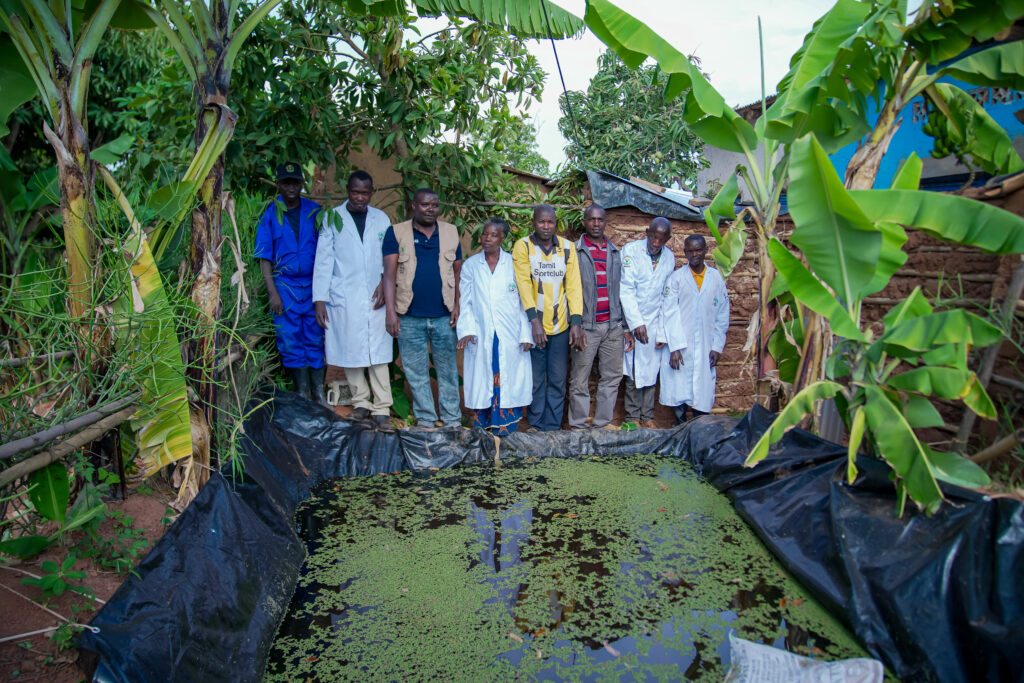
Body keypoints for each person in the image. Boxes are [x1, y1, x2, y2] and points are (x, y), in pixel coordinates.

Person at [312, 170, 395, 432]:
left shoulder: (382, 219)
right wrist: (320, 299)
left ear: (372, 193)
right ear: (347, 190)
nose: (360, 198)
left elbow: (389, 257)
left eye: (365, 193)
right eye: (355, 192)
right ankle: (361, 404)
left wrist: (384, 282)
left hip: (376, 294)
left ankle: (381, 407)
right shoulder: (332, 217)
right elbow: (323, 260)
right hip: (343, 295)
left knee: (379, 353)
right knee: (350, 350)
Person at [382, 188, 463, 427]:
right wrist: (390, 312)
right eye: (425, 204)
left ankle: (452, 421)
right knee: (416, 373)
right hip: (409, 317)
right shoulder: (396, 233)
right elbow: (389, 275)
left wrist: (458, 305)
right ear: (414, 206)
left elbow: (458, 273)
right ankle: (426, 421)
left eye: (435, 205)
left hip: (444, 316)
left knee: (447, 371)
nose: (431, 209)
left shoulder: (450, 232)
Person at [254, 162, 327, 406]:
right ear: (278, 185)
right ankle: (302, 396)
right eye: (286, 182)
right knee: (290, 339)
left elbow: (327, 253)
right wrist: (272, 293)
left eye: (295, 182)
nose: (291, 187)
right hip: (284, 286)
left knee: (316, 337)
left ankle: (318, 395)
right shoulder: (270, 213)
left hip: (313, 284)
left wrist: (323, 293)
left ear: (301, 184)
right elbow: (264, 257)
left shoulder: (314, 211)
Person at [456, 219, 533, 435]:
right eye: (484, 234)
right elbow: (466, 302)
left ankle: (506, 427)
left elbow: (523, 302)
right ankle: (483, 427)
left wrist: (526, 333)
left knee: (508, 378)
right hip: (481, 334)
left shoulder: (514, 264)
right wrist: (467, 330)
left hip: (510, 334)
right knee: (484, 378)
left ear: (503, 239)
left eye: (493, 235)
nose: (487, 238)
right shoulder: (471, 265)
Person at [512, 204, 584, 431]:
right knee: (534, 379)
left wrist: (576, 322)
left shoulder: (567, 248)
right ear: (533, 222)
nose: (546, 226)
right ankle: (535, 423)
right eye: (541, 221)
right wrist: (534, 322)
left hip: (560, 326)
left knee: (557, 379)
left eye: (550, 222)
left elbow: (573, 286)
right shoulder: (523, 246)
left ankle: (552, 426)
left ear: (555, 223)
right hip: (533, 325)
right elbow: (523, 283)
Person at [568, 204, 633, 430]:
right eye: (592, 219)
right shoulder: (574, 252)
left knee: (612, 378)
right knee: (579, 379)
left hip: (613, 327)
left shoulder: (615, 252)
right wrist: (575, 324)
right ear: (584, 222)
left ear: (606, 223)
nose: (596, 224)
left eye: (600, 220)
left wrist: (624, 327)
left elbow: (623, 291)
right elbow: (568, 290)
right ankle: (577, 426)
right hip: (586, 327)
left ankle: (602, 425)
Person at [661, 234, 730, 421]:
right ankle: (680, 428)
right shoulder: (676, 278)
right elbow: (669, 313)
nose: (695, 254)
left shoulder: (716, 278)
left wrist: (717, 346)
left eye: (698, 250)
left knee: (703, 390)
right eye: (690, 251)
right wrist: (674, 347)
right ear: (685, 253)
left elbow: (723, 315)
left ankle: (701, 428)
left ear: (706, 250)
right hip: (681, 345)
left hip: (706, 345)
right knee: (679, 389)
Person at [619, 217, 674, 428]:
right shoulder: (631, 251)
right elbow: (626, 289)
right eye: (653, 237)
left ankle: (647, 416)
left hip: (655, 322)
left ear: (668, 239)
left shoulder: (669, 258)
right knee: (634, 370)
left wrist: (662, 331)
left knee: (652, 370)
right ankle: (632, 416)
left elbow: (666, 297)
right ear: (646, 232)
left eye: (662, 239)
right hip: (634, 320)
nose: (656, 243)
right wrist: (634, 323)